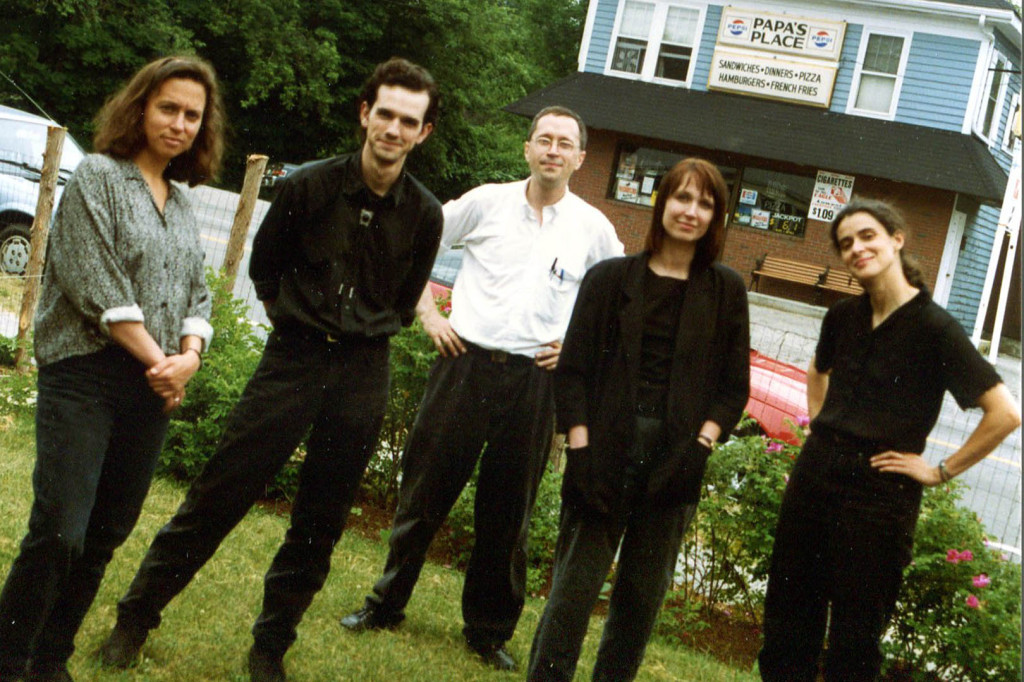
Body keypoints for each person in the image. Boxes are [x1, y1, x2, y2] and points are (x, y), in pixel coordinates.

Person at [97, 58, 443, 682]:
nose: (393, 129)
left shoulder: (425, 215)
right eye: (385, 114)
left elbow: (405, 297)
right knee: (219, 493)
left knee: (321, 519)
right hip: (294, 360)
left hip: (364, 371)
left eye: (408, 121)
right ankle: (135, 618)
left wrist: (360, 329)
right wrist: (293, 322)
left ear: (424, 132)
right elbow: (265, 268)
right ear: (365, 114)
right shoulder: (309, 186)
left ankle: (269, 648)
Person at [340, 105, 623, 671]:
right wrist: (428, 315)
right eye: (543, 140)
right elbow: (412, 244)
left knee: (508, 512)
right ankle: (385, 604)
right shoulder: (485, 202)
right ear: (527, 148)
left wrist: (577, 349)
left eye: (564, 144)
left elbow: (619, 304)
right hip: (463, 364)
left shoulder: (593, 229)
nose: (552, 151)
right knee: (424, 493)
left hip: (536, 383)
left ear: (580, 158)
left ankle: (488, 632)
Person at [0, 55, 224, 682]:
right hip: (86, 376)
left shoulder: (179, 204)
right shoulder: (97, 177)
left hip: (148, 391)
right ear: (140, 108)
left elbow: (197, 295)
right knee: (61, 531)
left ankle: (49, 660)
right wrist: (166, 365)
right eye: (168, 108)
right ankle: (8, 655)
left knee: (104, 535)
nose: (179, 123)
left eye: (191, 115)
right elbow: (94, 280)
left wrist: (192, 355)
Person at [757, 198, 1021, 681]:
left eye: (867, 235)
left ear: (897, 238)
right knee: (787, 624)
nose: (857, 248)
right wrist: (820, 424)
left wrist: (939, 470)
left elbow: (1004, 413)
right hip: (814, 481)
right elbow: (818, 370)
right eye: (846, 243)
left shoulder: (936, 329)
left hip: (880, 496)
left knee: (854, 642)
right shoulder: (842, 316)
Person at [526, 158, 750, 681]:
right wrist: (578, 452)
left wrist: (700, 448)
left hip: (675, 460)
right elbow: (574, 371)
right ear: (661, 202)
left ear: (716, 217)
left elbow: (732, 388)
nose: (690, 211)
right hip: (603, 449)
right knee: (573, 592)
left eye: (705, 203)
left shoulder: (725, 290)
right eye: (681, 198)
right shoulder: (609, 279)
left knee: (639, 602)